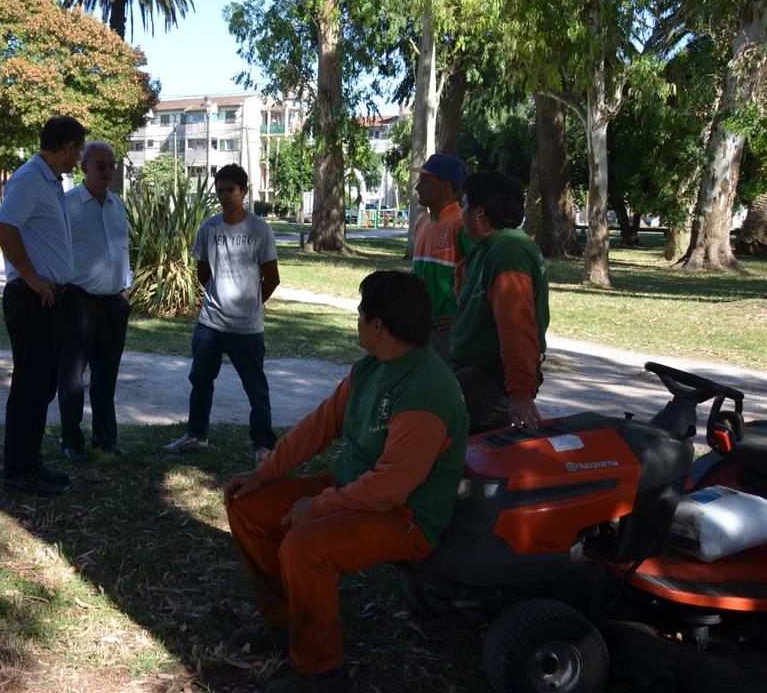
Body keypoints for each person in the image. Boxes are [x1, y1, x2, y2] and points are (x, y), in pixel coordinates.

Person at [223, 270, 468, 693]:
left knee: (306, 545)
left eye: (360, 314)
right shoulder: (372, 365)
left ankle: (321, 674)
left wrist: (316, 507)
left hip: (405, 517)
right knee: (246, 504)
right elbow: (319, 426)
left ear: (377, 327)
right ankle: (286, 626)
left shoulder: (427, 390)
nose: (356, 319)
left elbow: (389, 489)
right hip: (351, 491)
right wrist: (263, 473)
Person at [0, 116, 86, 496]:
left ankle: (31, 461)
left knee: (43, 384)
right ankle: (17, 470)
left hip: (50, 299)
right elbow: (4, 227)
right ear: (66, 146)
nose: (79, 157)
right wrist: (32, 277)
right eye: (78, 149)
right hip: (31, 298)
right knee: (30, 385)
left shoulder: (51, 182)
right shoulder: (30, 178)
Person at [165, 164, 280, 467]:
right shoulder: (209, 228)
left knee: (256, 387)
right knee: (200, 379)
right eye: (220, 190)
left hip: (247, 328)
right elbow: (203, 271)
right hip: (210, 324)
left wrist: (252, 303)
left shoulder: (259, 229)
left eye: (230, 190)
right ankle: (196, 434)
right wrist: (219, 298)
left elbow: (273, 277)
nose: (224, 196)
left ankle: (264, 445)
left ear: (244, 191)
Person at [450, 170, 550, 433]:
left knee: (425, 411)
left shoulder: (508, 251)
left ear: (479, 213)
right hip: (476, 369)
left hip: (491, 375)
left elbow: (516, 327)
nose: (460, 215)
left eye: (464, 207)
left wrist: (519, 393)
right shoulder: (486, 248)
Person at [57, 141, 131, 461]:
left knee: (107, 375)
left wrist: (125, 288)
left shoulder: (117, 205)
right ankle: (71, 440)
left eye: (112, 165)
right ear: (83, 166)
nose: (107, 172)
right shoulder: (68, 204)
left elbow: (122, 248)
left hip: (114, 303)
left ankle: (105, 439)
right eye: (100, 165)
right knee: (73, 377)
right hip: (78, 303)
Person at [410, 153, 472, 360]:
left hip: (445, 331)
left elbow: (480, 275)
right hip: (419, 323)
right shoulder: (422, 221)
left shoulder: (462, 224)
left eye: (425, 182)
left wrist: (461, 316)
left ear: (446, 186)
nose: (418, 188)